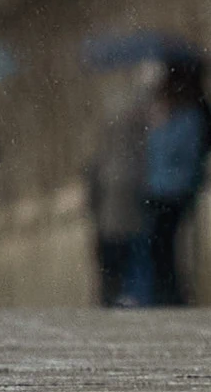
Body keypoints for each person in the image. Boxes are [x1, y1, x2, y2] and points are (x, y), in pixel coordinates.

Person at [138, 57, 211, 306]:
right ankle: (166, 294)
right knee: (160, 246)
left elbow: (180, 153)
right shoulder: (171, 114)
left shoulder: (188, 116)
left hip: (173, 190)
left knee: (164, 246)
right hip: (161, 189)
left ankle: (171, 295)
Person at [85, 75, 151, 306]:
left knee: (111, 262)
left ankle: (112, 297)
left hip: (110, 216)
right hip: (127, 212)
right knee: (128, 258)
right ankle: (125, 296)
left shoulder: (109, 150)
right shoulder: (138, 141)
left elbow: (94, 175)